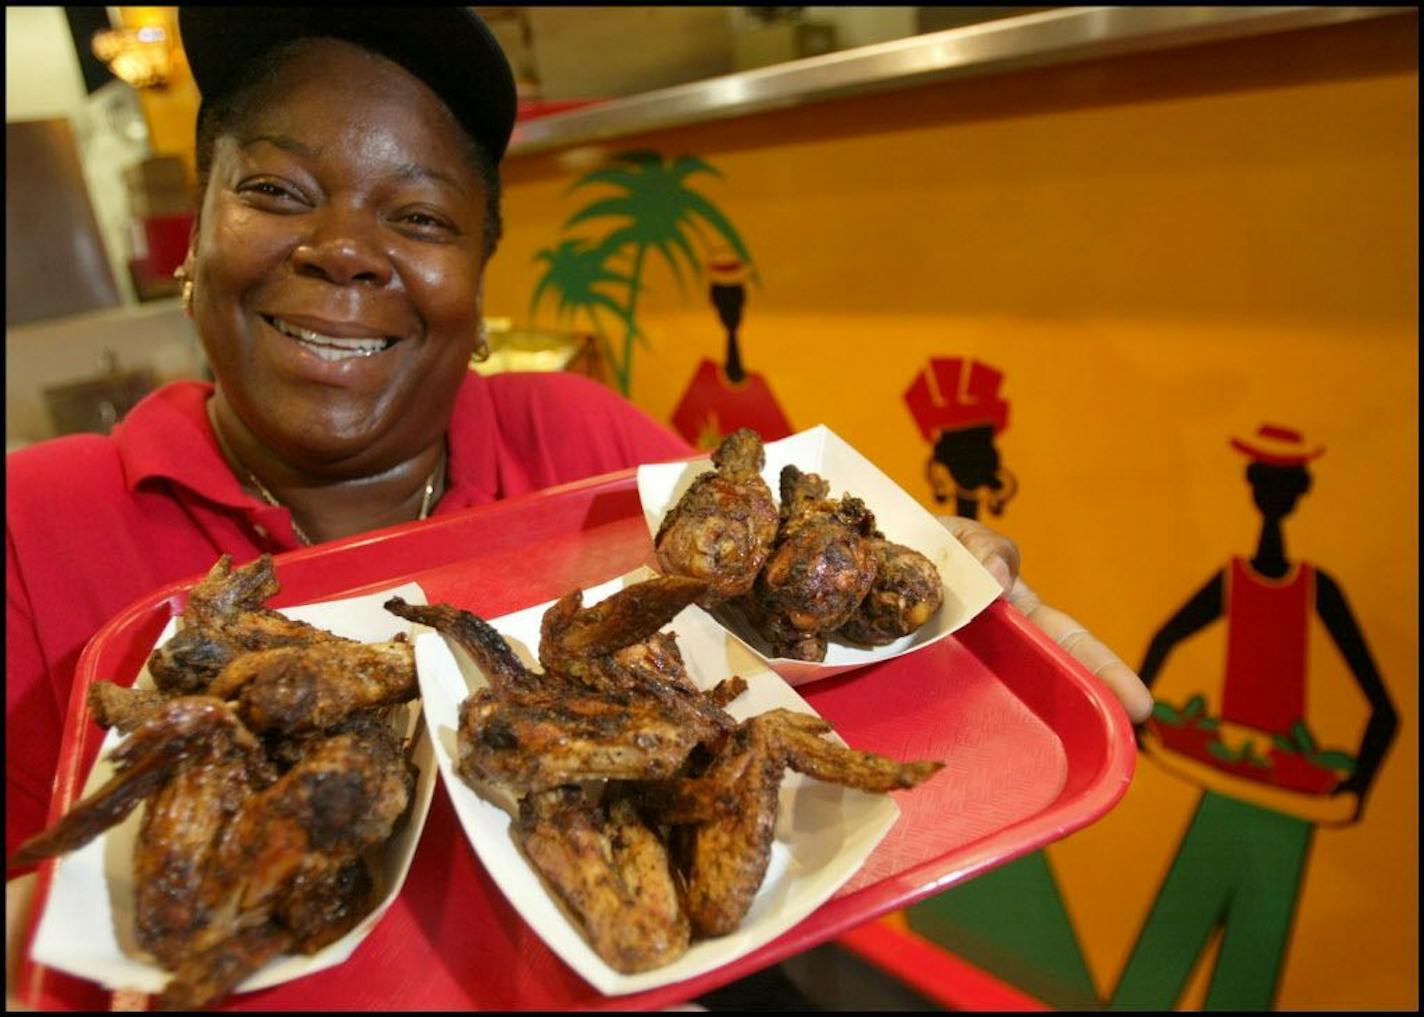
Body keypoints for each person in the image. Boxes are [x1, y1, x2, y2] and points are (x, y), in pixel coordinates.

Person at [4, 4, 1150, 990]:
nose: (345, 250)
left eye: (418, 218)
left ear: (478, 285)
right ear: (190, 240)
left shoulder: (585, 442)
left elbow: (756, 694)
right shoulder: (25, 523)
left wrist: (944, 630)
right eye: (276, 189)